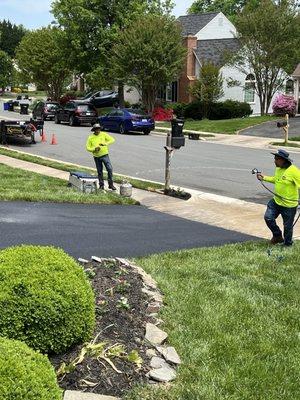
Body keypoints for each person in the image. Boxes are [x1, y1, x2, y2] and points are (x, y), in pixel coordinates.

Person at [257, 149, 300, 246]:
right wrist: (264, 178)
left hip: (289, 205)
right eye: (274, 158)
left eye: (276, 159)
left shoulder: (294, 171)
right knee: (268, 217)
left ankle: (287, 244)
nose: (274, 161)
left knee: (288, 226)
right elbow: (276, 180)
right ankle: (277, 236)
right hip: (276, 201)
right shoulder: (278, 169)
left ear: (283, 160)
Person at [86, 123, 116, 190]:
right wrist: (94, 149)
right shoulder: (91, 137)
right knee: (100, 171)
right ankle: (101, 185)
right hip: (96, 157)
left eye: (98, 129)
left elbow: (112, 140)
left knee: (109, 169)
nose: (98, 131)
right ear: (94, 130)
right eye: (96, 129)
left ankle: (110, 184)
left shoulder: (103, 134)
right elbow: (88, 147)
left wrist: (105, 143)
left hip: (105, 155)